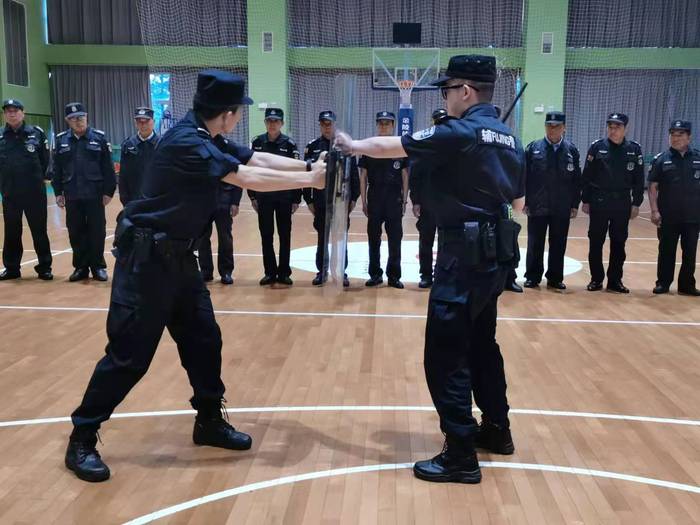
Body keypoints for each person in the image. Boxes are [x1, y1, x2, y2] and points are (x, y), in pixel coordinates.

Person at [64, 70, 326, 483]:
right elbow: (247, 178)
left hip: (179, 261)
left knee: (204, 340)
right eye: (238, 112)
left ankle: (208, 421)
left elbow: (256, 159)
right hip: (146, 264)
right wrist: (311, 180)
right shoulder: (187, 142)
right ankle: (82, 437)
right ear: (227, 113)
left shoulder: (207, 135)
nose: (239, 118)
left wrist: (309, 166)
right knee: (129, 357)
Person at [336, 54, 525, 484]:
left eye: (447, 89)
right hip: (495, 254)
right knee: (482, 345)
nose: (444, 98)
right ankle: (497, 428)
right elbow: (517, 199)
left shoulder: (458, 131)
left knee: (445, 352)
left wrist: (354, 144)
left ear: (465, 91)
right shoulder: (510, 139)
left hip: (463, 254)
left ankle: (460, 453)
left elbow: (393, 146)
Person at [52, 102, 116, 282]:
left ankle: (98, 267)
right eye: (73, 118)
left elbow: (108, 167)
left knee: (97, 231)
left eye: (80, 117)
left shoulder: (99, 138)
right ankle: (80, 267)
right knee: (75, 231)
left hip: (95, 194)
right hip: (72, 194)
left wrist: (109, 191)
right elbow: (57, 169)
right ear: (67, 121)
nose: (78, 121)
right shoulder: (62, 140)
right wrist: (58, 192)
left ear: (86, 117)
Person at [581, 113, 644, 293]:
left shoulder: (634, 149)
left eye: (617, 127)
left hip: (622, 202)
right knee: (596, 241)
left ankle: (615, 280)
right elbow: (587, 175)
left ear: (626, 128)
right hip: (599, 201)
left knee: (618, 242)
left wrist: (636, 203)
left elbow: (639, 179)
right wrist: (585, 200)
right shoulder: (597, 147)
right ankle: (596, 279)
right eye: (610, 126)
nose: (613, 130)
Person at [523, 112, 581, 290]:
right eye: (549, 125)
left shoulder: (571, 150)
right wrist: (525, 201)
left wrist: (574, 204)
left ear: (564, 127)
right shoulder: (533, 148)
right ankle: (532, 276)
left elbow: (576, 180)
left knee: (558, 243)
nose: (552, 129)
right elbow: (524, 177)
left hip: (561, 206)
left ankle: (555, 278)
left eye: (556, 126)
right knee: (535, 243)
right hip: (537, 204)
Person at [303, 110, 359, 287]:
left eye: (329, 124)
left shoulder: (345, 146)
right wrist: (309, 200)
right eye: (323, 124)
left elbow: (354, 175)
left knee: (340, 239)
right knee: (322, 239)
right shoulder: (312, 147)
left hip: (341, 201)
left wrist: (353, 199)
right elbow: (306, 175)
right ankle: (322, 272)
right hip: (321, 201)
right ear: (320, 125)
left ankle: (341, 272)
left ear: (335, 124)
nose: (327, 127)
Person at [0, 99, 52, 280]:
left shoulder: (36, 133)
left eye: (15, 111)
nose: (12, 114)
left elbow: (45, 160)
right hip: (10, 193)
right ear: (4, 115)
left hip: (34, 193)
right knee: (11, 232)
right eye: (8, 111)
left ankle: (44, 267)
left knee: (39, 231)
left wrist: (36, 179)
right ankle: (12, 268)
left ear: (23, 113)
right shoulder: (0, 135)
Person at [249, 108, 301, 285]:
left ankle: (284, 273)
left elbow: (297, 171)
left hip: (284, 196)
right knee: (266, 235)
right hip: (263, 196)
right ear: (265, 122)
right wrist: (252, 196)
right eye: (269, 121)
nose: (272, 124)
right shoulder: (257, 142)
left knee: (284, 235)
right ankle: (270, 272)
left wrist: (296, 198)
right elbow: (250, 170)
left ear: (282, 123)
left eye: (276, 121)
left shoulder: (289, 144)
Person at [648, 120, 700, 296]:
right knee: (666, 251)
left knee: (690, 253)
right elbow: (653, 187)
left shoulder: (698, 158)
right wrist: (654, 210)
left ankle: (687, 285)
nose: (675, 138)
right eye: (673, 134)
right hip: (668, 216)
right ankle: (663, 283)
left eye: (680, 134)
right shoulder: (661, 159)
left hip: (693, 216)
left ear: (689, 137)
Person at [359, 111, 408, 289]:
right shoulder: (369, 147)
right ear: (377, 125)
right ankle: (375, 274)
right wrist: (363, 202)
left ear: (393, 125)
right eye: (381, 123)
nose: (384, 126)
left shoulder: (400, 146)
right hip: (375, 198)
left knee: (395, 239)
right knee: (373, 238)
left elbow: (405, 175)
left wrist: (405, 200)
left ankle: (394, 276)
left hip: (394, 199)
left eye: (387, 123)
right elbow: (363, 176)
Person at [410, 109, 447, 289]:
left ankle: (442, 274)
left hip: (447, 204)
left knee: (446, 242)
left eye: (443, 121)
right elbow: (415, 176)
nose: (440, 125)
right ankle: (426, 275)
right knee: (426, 241)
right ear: (432, 123)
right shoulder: (423, 146)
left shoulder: (453, 146)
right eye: (438, 121)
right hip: (427, 202)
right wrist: (415, 201)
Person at [198, 167, 242, 285]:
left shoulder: (228, 155)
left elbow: (237, 175)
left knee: (225, 238)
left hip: (224, 199)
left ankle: (226, 272)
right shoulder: (199, 155)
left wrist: (235, 201)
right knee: (202, 238)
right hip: (203, 200)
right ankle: (205, 271)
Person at [118, 107, 159, 206]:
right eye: (139, 122)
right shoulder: (128, 145)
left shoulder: (162, 144)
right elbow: (123, 175)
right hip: (134, 199)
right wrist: (125, 200)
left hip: (157, 199)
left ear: (153, 122)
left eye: (146, 121)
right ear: (135, 123)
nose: (143, 125)